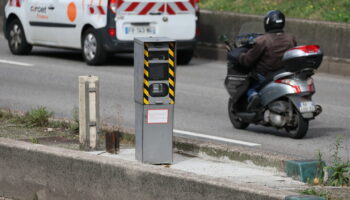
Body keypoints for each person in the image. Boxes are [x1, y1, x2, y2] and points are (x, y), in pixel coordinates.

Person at [237, 10, 297, 110]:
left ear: (267, 23)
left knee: (247, 85)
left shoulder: (262, 40)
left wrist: (240, 57)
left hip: (266, 76)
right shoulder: (291, 38)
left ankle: (253, 96)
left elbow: (248, 60)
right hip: (285, 73)